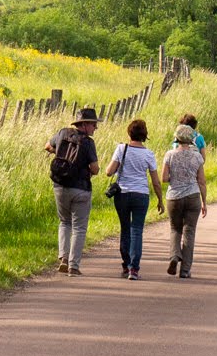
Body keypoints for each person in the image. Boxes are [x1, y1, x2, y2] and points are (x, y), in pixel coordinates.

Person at [103, 117, 164, 280]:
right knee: (137, 230)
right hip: (141, 195)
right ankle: (134, 269)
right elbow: (156, 181)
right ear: (145, 135)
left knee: (125, 228)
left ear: (129, 133)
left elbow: (109, 171)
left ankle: (126, 263)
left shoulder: (121, 149)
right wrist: (160, 200)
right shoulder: (149, 154)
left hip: (122, 194)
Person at [45, 106, 101, 272]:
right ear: (84, 124)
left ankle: (63, 257)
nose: (95, 127)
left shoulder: (63, 133)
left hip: (60, 186)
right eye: (93, 124)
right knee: (79, 227)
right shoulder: (89, 143)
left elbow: (47, 146)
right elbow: (95, 168)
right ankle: (73, 266)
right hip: (81, 189)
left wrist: (60, 153)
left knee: (64, 222)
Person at [162, 120, 207, 277]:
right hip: (193, 196)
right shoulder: (197, 157)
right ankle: (185, 270)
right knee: (190, 231)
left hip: (174, 196)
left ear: (177, 138)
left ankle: (174, 256)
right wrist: (205, 202)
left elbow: (164, 178)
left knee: (175, 228)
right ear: (191, 139)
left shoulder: (169, 155)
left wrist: (175, 176)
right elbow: (201, 181)